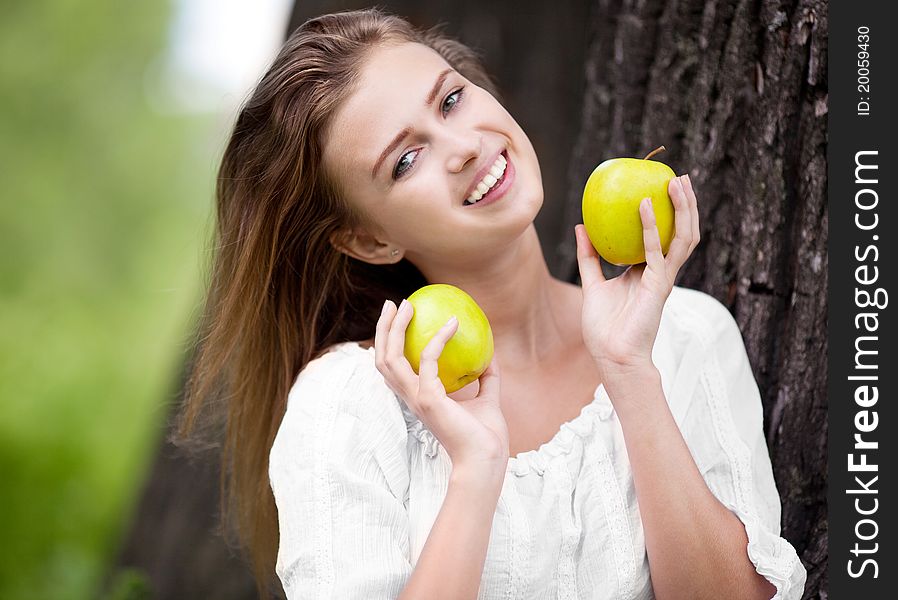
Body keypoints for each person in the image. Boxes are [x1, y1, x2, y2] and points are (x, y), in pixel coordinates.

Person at [178, 7, 807, 600]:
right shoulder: (349, 405)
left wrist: (630, 372)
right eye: (406, 160)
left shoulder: (684, 334)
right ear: (370, 240)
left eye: (451, 100)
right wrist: (476, 472)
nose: (465, 148)